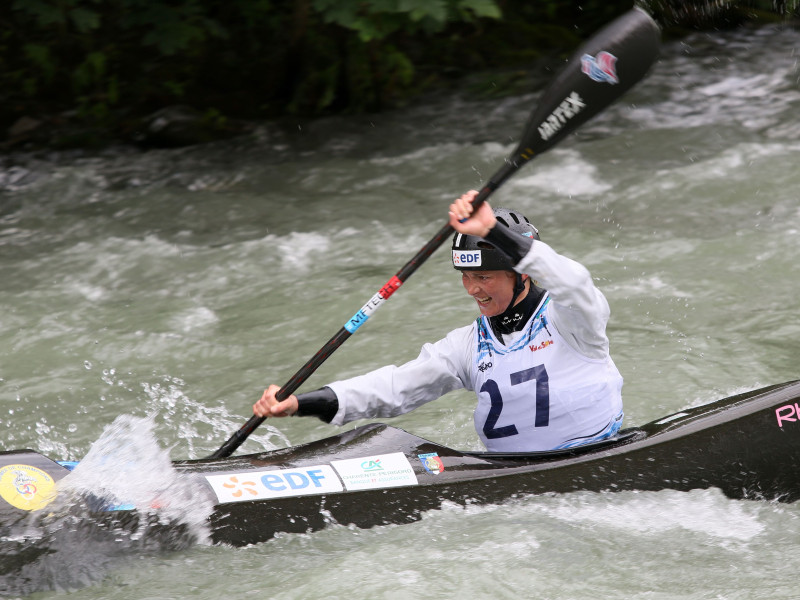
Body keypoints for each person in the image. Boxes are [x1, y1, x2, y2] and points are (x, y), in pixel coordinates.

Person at [253, 190, 624, 451]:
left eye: (484, 277)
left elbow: (573, 281)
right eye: (465, 277)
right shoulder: (467, 345)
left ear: (521, 274)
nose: (472, 289)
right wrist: (302, 403)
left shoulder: (572, 322)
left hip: (590, 456)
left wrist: (493, 232)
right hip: (508, 475)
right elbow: (395, 387)